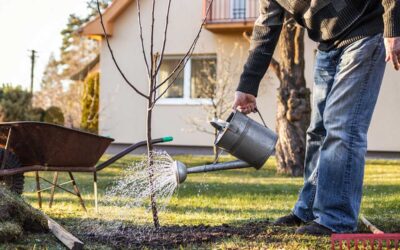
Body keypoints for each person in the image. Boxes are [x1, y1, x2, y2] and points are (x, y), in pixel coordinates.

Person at [232, 0, 400, 235]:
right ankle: (309, 209)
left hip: (365, 32)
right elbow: (266, 26)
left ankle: (336, 219)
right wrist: (247, 85)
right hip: (327, 43)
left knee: (342, 127)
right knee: (318, 132)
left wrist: (393, 26)